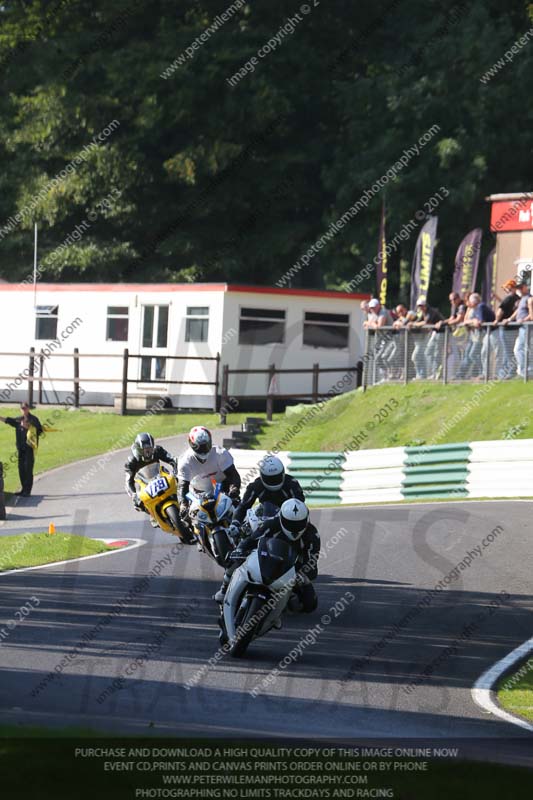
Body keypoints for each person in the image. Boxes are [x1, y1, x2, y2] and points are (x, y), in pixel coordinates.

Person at [214, 498, 320, 612]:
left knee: (310, 605)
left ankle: (285, 597)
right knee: (235, 560)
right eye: (290, 523)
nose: (294, 527)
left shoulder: (312, 535)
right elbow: (252, 539)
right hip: (265, 558)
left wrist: (302, 576)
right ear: (282, 518)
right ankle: (225, 589)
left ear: (306, 520)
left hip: (291, 569)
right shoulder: (272, 523)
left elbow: (312, 563)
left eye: (298, 524)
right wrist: (240, 549)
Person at [177, 426, 241, 520]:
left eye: (205, 446)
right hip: (198, 494)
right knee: (186, 519)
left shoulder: (220, 453)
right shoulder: (185, 462)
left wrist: (234, 489)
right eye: (199, 447)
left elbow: (233, 475)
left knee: (240, 511)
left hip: (223, 489)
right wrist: (183, 504)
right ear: (191, 443)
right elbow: (183, 486)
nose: (203, 450)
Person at [232, 455, 305, 528]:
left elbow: (300, 504)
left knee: (307, 531)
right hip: (263, 523)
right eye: (270, 479)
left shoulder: (291, 483)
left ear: (282, 473)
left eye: (276, 478)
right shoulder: (256, 486)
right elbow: (243, 506)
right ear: (262, 475)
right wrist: (235, 523)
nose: (273, 481)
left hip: (288, 521)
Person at [124, 432, 178, 527]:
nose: (148, 452)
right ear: (140, 450)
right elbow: (128, 482)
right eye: (145, 450)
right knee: (138, 504)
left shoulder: (158, 450)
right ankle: (152, 514)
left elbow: (173, 459)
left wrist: (176, 469)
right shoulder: (131, 461)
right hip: (144, 483)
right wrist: (134, 495)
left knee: (180, 482)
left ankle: (185, 503)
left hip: (160, 475)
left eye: (150, 449)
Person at [0, 402, 43, 496]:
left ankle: (28, 491)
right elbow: (8, 420)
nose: (24, 410)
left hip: (29, 448)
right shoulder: (19, 420)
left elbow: (40, 430)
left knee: (28, 469)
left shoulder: (34, 419)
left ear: (28, 408)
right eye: (22, 408)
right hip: (21, 449)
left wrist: (27, 427)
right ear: (20, 409)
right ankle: (23, 489)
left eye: (25, 408)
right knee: (21, 469)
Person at [456, 293, 495, 379]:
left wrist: (472, 321)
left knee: (474, 354)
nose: (468, 303)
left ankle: (483, 373)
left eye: (469, 301)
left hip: (485, 334)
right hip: (482, 334)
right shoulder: (476, 308)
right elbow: (472, 321)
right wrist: (472, 321)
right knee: (478, 354)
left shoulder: (481, 306)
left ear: (474, 301)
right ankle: (482, 373)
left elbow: (479, 323)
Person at [495, 279, 519, 378]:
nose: (505, 289)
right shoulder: (518, 298)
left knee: (508, 351)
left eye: (506, 287)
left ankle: (511, 371)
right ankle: (504, 373)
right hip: (514, 328)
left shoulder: (508, 298)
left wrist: (496, 320)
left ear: (510, 288)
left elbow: (500, 311)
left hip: (506, 328)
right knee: (507, 350)